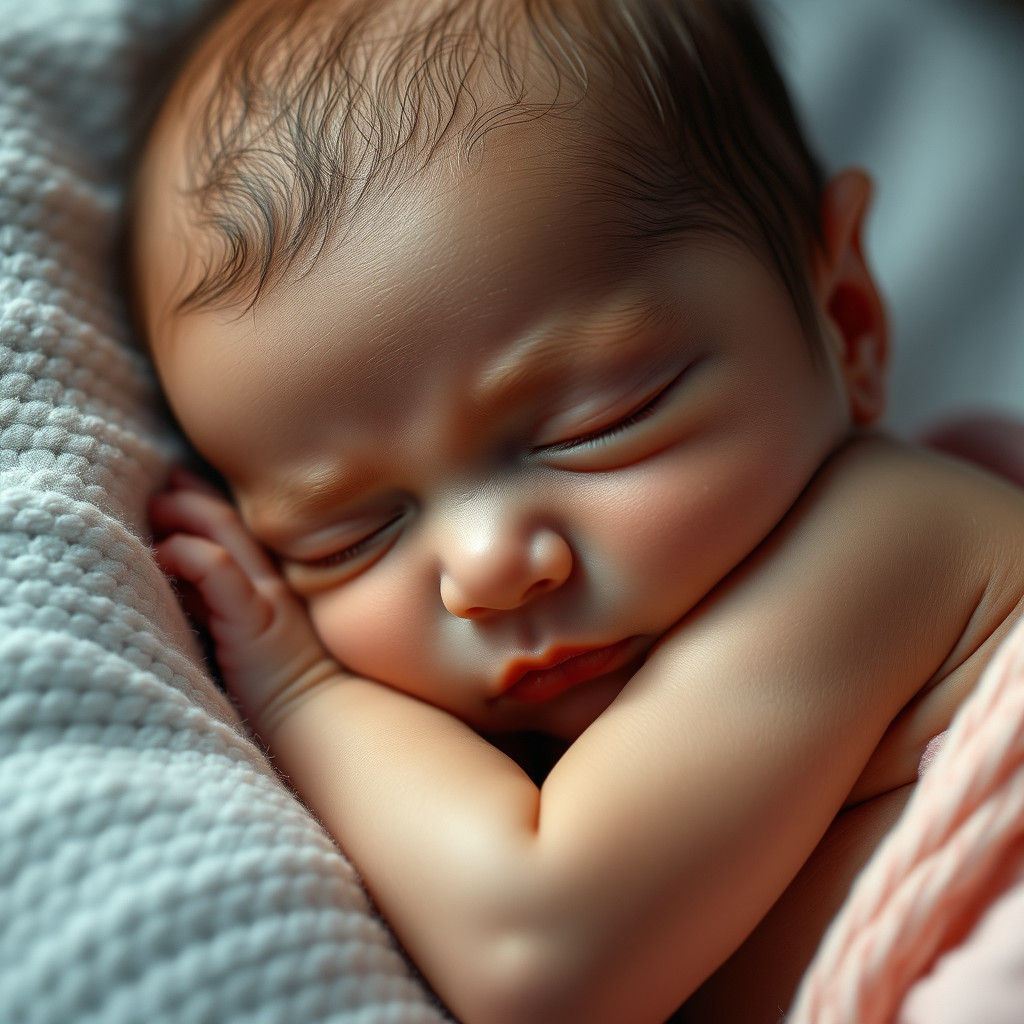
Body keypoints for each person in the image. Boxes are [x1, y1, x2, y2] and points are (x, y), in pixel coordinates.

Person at [130, 0, 1024, 1020]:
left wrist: (299, 695)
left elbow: (538, 948)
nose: (486, 566)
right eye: (348, 531)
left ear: (845, 320)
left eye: (599, 422)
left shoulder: (892, 543)